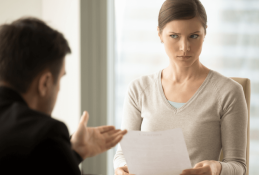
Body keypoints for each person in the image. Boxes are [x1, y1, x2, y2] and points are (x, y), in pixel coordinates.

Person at [114, 0, 247, 175]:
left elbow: (238, 165)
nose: (185, 47)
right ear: (160, 34)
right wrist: (121, 169)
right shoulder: (138, 90)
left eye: (193, 36)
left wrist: (216, 168)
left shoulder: (228, 92)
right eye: (174, 36)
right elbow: (122, 154)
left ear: (204, 33)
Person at [0, 17, 127, 175]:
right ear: (45, 83)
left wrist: (73, 152)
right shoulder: (45, 134)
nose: (59, 88)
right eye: (60, 78)